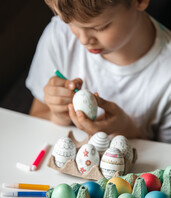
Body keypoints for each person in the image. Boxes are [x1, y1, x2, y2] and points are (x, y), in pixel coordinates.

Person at [26, 0, 171, 143]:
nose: (83, 40)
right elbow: (35, 118)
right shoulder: (60, 35)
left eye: (99, 27)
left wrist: (126, 130)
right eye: (70, 23)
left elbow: (165, 159)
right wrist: (57, 116)